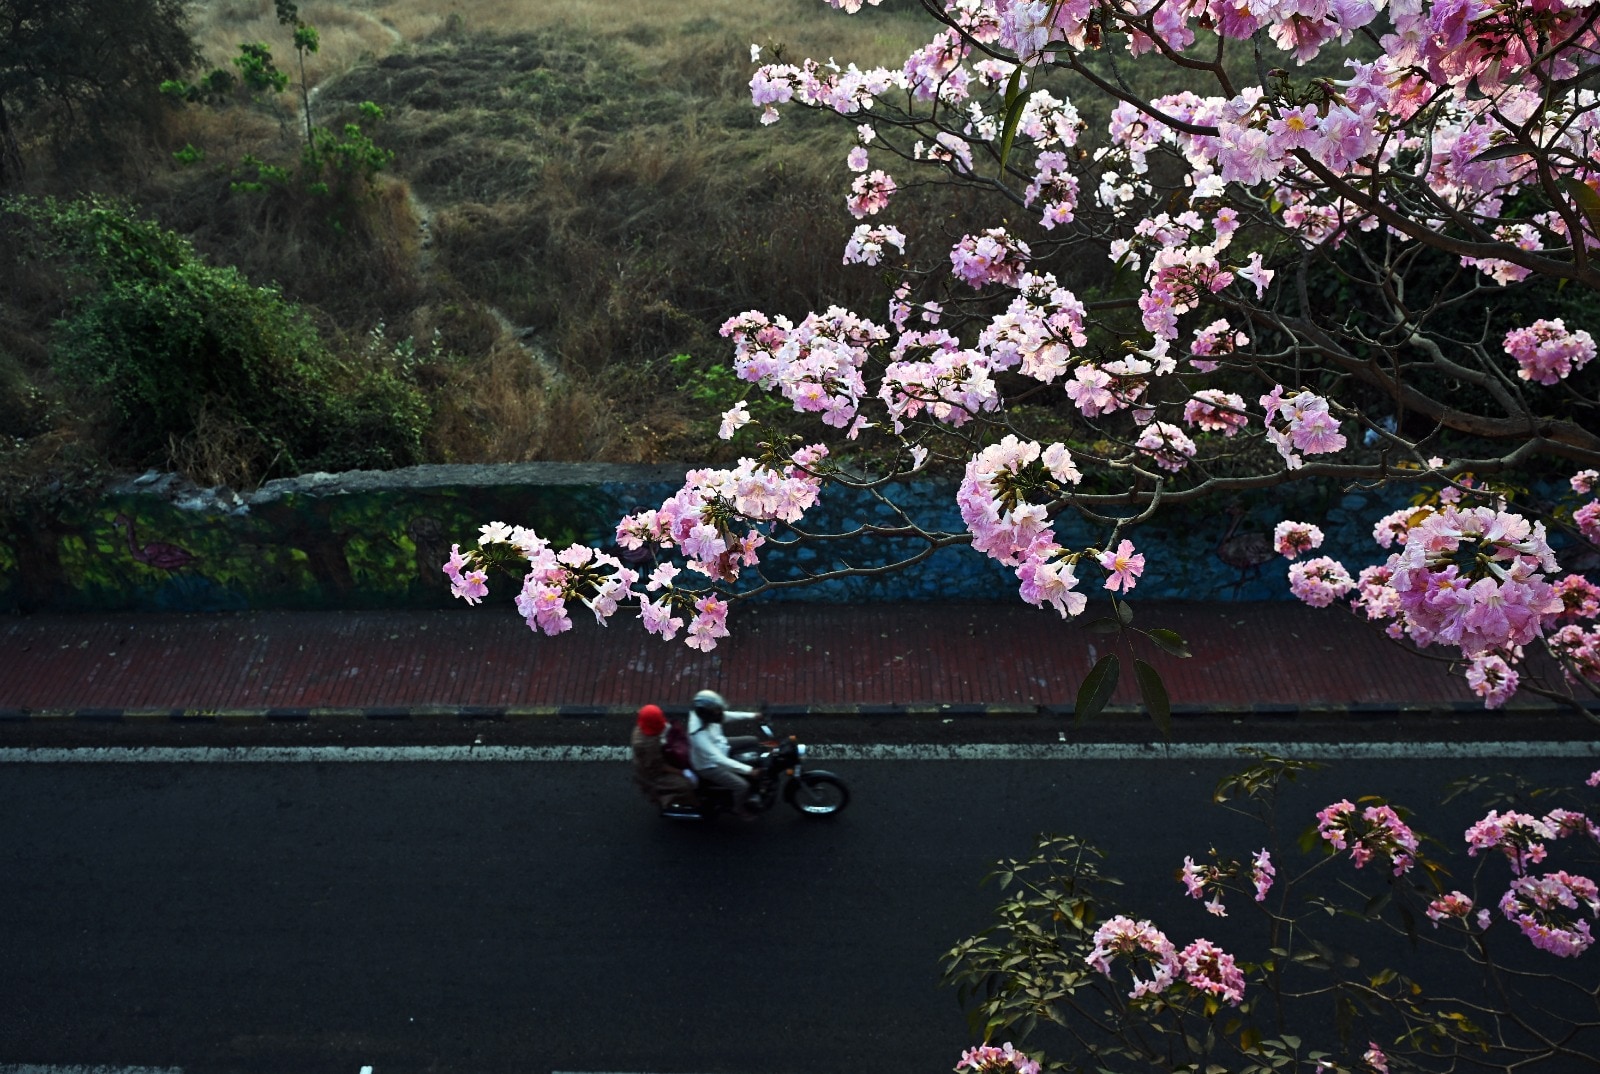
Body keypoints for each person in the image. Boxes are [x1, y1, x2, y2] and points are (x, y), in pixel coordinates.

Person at [686, 689, 763, 819]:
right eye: (716, 711)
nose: (719, 713)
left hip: (721, 744)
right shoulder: (697, 735)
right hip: (709, 766)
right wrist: (749, 770)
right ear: (707, 714)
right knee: (742, 786)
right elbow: (718, 759)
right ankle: (738, 808)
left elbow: (725, 716)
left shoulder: (707, 715)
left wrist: (752, 715)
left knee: (753, 740)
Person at [630, 704, 696, 810]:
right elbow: (659, 766)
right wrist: (683, 772)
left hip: (654, 760)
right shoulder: (649, 744)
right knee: (685, 786)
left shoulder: (643, 727)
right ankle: (689, 803)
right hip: (653, 772)